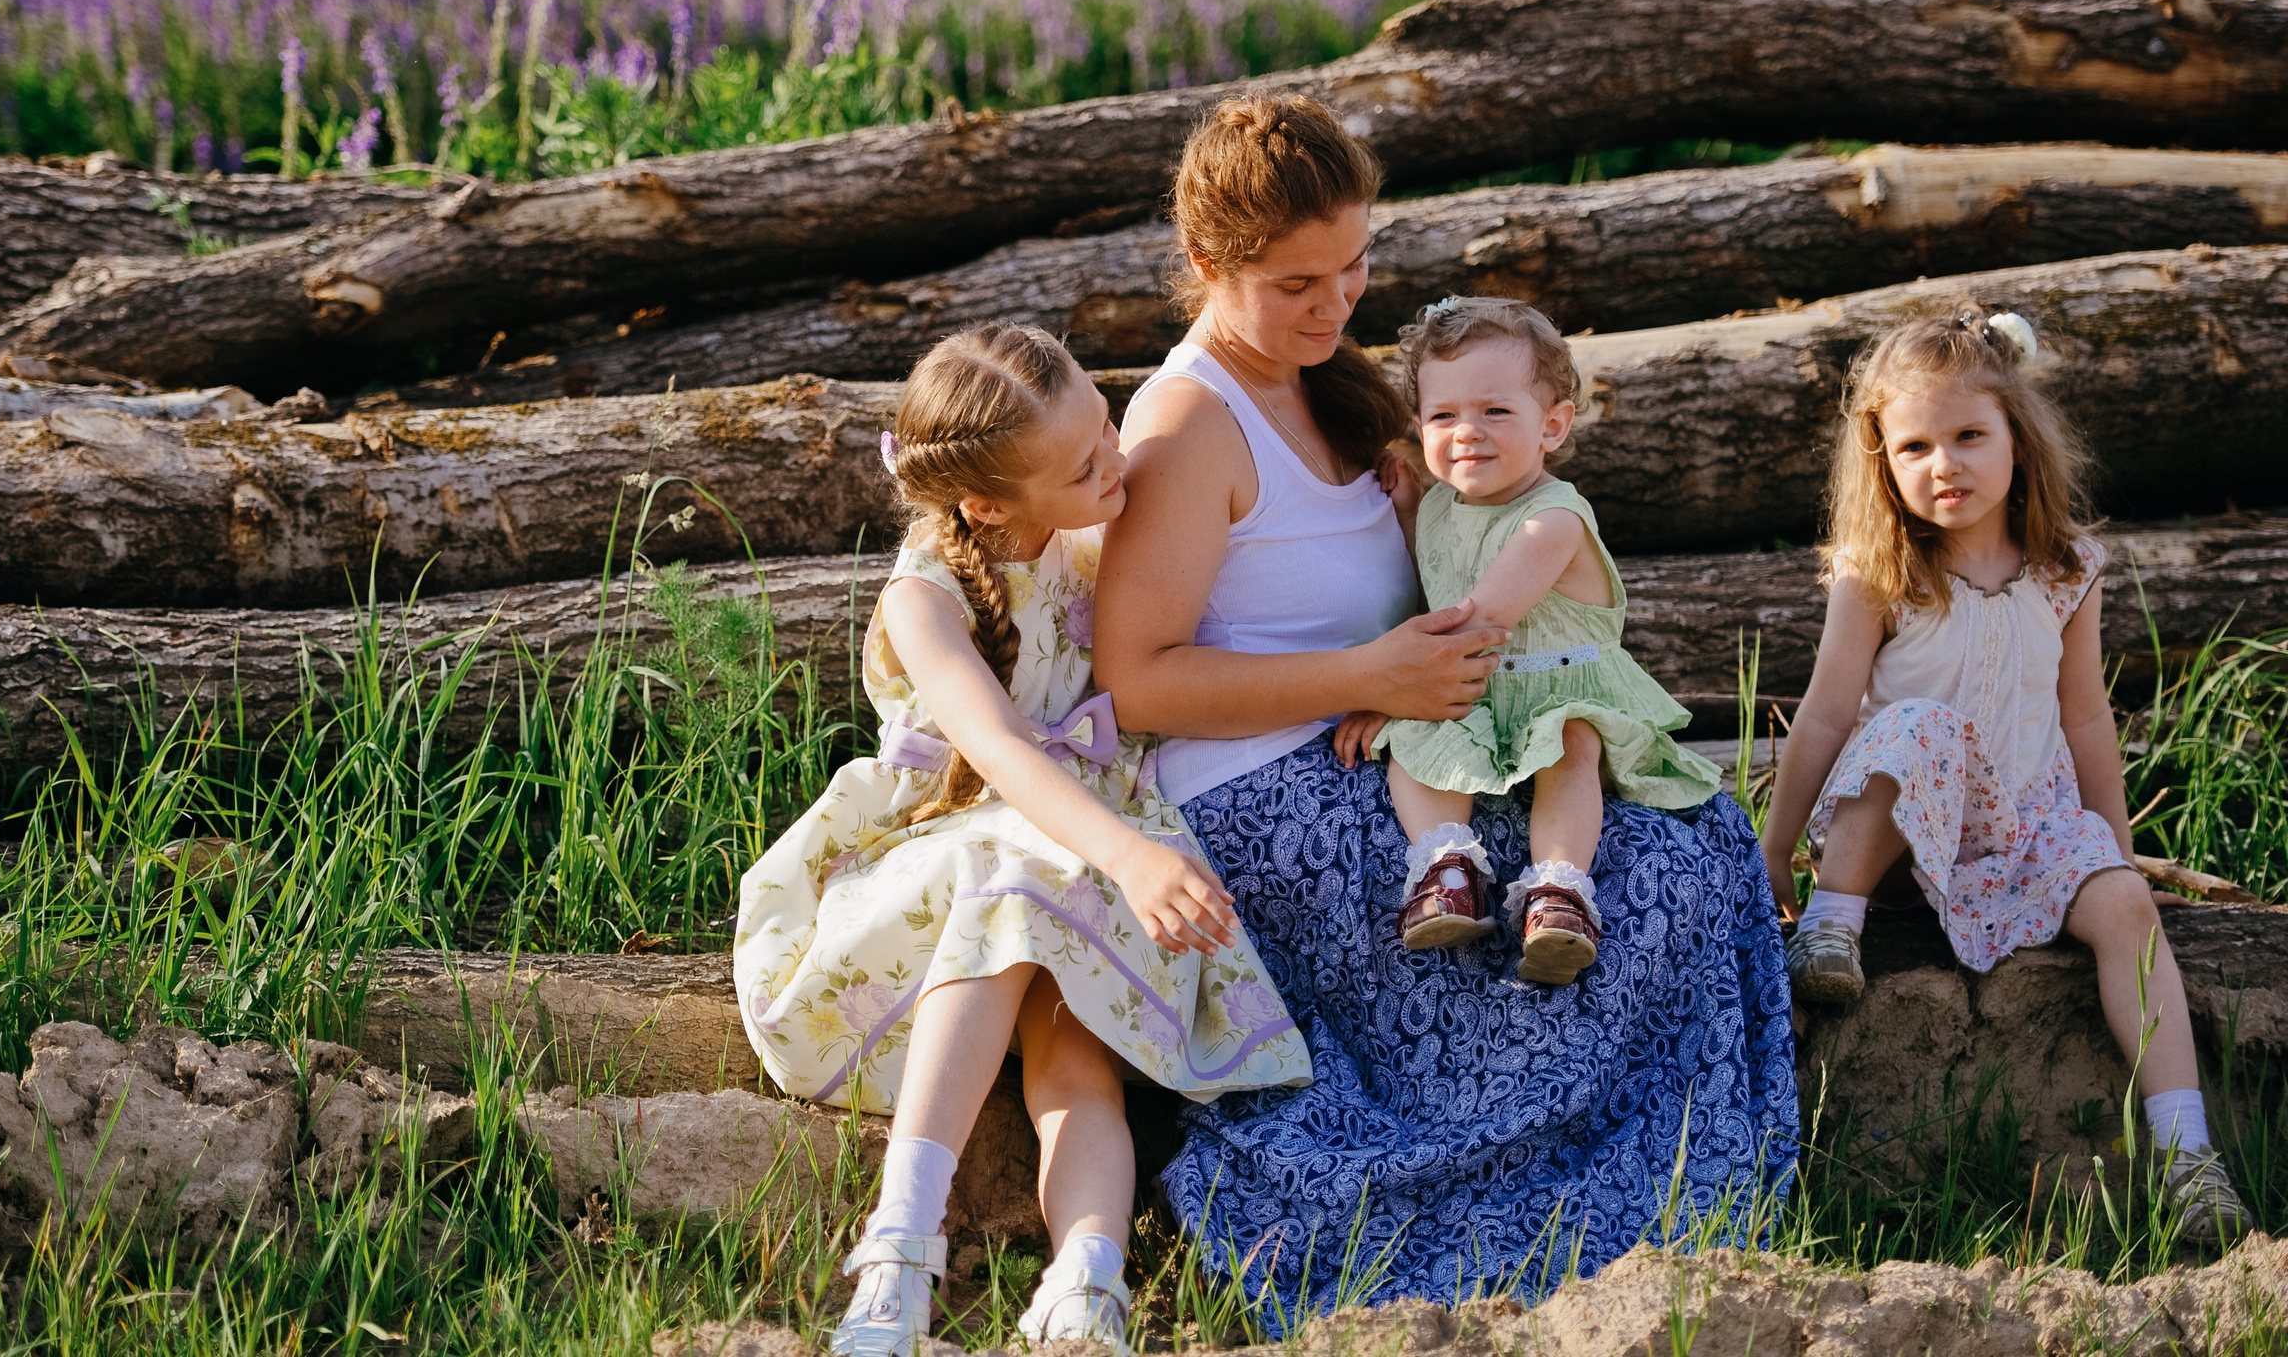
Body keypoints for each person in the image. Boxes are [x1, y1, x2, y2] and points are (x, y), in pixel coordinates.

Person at [1095, 94, 1795, 1321]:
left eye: (1354, 266)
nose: (1334, 303)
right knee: (1587, 905)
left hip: (1391, 737)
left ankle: (1657, 1203)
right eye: (1296, 282)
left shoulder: (1329, 380)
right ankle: (1502, 1229)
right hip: (1261, 792)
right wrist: (1365, 680)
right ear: (1206, 266)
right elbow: (1139, 681)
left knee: (1679, 842)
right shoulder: (1189, 418)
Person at [734, 323, 1312, 1357]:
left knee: (1073, 1040)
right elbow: (998, 753)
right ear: (988, 503)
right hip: (933, 858)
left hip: (1072, 854)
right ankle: (899, 1247)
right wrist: (1132, 855)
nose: (1119, 463)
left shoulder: (1106, 529)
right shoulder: (926, 594)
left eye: (1108, 425)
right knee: (1010, 875)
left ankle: (1086, 1279)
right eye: (1087, 462)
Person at [1760, 309, 2248, 1243]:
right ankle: (1831, 932)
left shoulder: (2068, 571)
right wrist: (1777, 850)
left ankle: (2188, 1157)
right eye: (1915, 446)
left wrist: (2118, 851)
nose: (1944, 464)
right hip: (1898, 840)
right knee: (1917, 730)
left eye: (1968, 436)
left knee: (2126, 916)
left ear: (2017, 440)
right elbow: (1825, 716)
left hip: (2026, 828)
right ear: (1883, 463)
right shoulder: (1881, 573)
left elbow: (2085, 719)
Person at [1332, 296, 1724, 979]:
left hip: (1558, 689)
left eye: (1496, 412)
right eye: (1444, 415)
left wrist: (1384, 690)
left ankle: (1559, 892)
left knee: (1569, 746)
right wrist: (1402, 513)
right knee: (1417, 748)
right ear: (1419, 423)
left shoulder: (1554, 519)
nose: (1467, 433)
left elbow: (1479, 618)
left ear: (1553, 425)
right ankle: (1447, 868)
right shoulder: (1436, 508)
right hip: (1480, 690)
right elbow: (1435, 587)